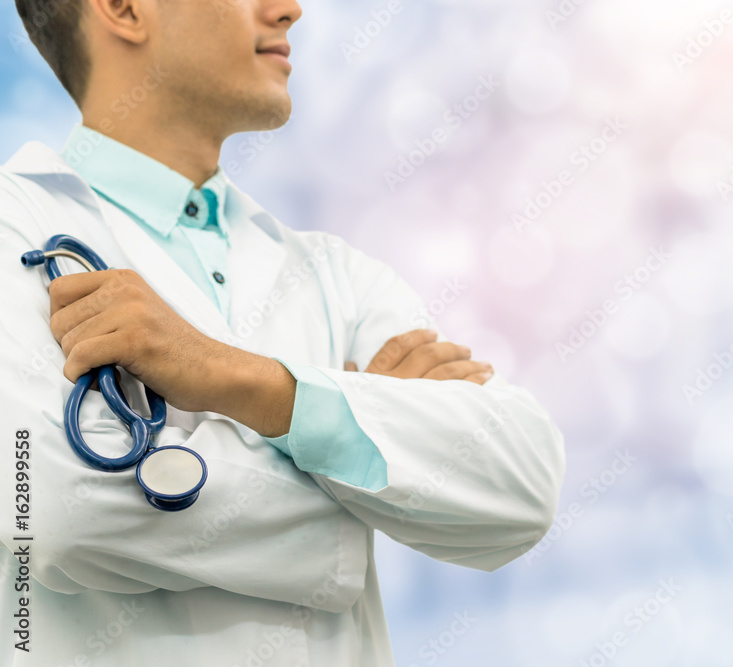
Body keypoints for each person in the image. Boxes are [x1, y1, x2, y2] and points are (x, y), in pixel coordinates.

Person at [0, 0, 566, 664]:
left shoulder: (335, 273)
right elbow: (61, 513)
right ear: (123, 9)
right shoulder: (18, 227)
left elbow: (520, 486)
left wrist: (240, 379)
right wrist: (365, 471)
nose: (290, 9)